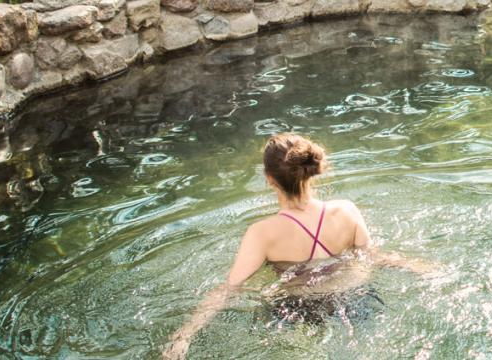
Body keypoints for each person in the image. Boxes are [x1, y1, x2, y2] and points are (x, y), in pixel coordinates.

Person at [162, 133, 432, 359]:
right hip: (355, 298)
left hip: (298, 310)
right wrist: (417, 266)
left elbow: (229, 289)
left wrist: (184, 334)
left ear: (269, 178)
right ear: (311, 170)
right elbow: (371, 256)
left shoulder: (262, 233)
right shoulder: (346, 210)